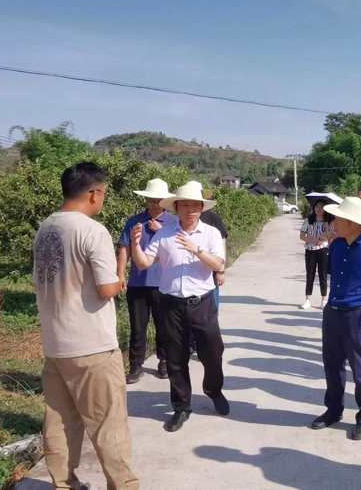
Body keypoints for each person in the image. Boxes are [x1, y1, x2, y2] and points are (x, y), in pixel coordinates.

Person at [34, 162, 139, 489]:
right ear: (94, 193)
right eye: (103, 193)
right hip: (92, 346)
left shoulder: (45, 228)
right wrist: (123, 273)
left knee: (60, 424)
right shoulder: (93, 230)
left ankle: (64, 484)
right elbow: (107, 289)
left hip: (55, 344)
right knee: (109, 426)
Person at [131, 183, 230, 432]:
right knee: (175, 359)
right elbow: (143, 264)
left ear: (201, 208)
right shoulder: (164, 233)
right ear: (176, 207)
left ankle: (213, 390)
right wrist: (135, 245)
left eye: (195, 205)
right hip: (170, 305)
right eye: (185, 204)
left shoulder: (210, 233)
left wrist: (196, 250)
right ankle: (181, 406)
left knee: (213, 351)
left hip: (202, 303)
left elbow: (218, 264)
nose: (190, 209)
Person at [311, 197, 361, 441]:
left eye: (339, 218)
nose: (334, 222)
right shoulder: (335, 245)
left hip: (358, 314)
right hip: (333, 312)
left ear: (353, 223)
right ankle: (334, 410)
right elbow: (334, 277)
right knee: (332, 366)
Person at [118, 178, 179, 383]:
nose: (155, 204)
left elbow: (179, 249)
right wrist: (120, 274)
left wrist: (160, 233)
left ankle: (164, 362)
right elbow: (124, 248)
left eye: (159, 200)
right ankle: (136, 365)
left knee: (164, 326)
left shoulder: (173, 223)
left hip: (164, 284)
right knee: (138, 326)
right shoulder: (134, 221)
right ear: (145, 200)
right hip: (138, 283)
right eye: (151, 200)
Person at [185, 181, 228, 354]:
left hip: (209, 272)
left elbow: (222, 243)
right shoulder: (179, 220)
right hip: (187, 274)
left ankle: (206, 343)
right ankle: (190, 343)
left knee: (210, 310)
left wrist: (220, 270)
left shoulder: (213, 218)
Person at [299, 199, 336, 309]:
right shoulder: (309, 220)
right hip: (310, 249)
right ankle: (308, 299)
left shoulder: (329, 222)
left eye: (321, 207)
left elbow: (331, 239)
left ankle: (324, 299)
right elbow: (302, 236)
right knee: (310, 274)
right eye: (317, 207)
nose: (319, 209)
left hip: (323, 249)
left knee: (323, 275)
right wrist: (313, 241)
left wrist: (326, 229)